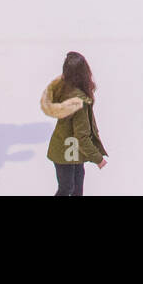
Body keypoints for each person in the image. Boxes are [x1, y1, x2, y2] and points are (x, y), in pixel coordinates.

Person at [42, 51, 107, 196]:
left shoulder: (67, 91)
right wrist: (98, 158)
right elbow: (82, 136)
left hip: (72, 152)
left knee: (75, 188)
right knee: (67, 189)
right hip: (65, 152)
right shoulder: (78, 102)